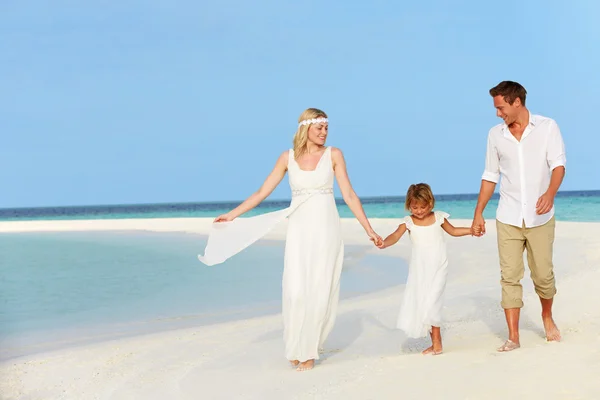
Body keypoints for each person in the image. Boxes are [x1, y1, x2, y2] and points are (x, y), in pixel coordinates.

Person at [199, 108, 383, 371]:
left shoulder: (334, 155)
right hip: (298, 230)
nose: (324, 132)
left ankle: (308, 351)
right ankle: (297, 345)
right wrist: (232, 215)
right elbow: (262, 191)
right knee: (296, 291)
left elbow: (350, 195)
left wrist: (369, 229)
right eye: (319, 127)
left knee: (319, 288)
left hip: (326, 228)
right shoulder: (288, 158)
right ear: (305, 128)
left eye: (326, 128)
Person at [471, 81, 566, 352]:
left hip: (540, 218)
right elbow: (490, 175)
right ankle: (513, 337)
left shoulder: (548, 127)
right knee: (509, 277)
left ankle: (547, 316)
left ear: (516, 102)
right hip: (508, 216)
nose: (498, 113)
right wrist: (479, 212)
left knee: (543, 276)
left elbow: (558, 165)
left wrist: (550, 193)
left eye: (500, 107)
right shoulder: (495, 135)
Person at [376, 183, 473, 355]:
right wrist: (384, 243)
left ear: (431, 204)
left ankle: (437, 344)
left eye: (423, 207)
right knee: (425, 304)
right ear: (409, 205)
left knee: (432, 303)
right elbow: (395, 236)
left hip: (439, 266)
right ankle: (435, 343)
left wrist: (471, 230)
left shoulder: (439, 218)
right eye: (415, 207)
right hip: (420, 271)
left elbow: (454, 231)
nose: (419, 211)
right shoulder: (408, 222)